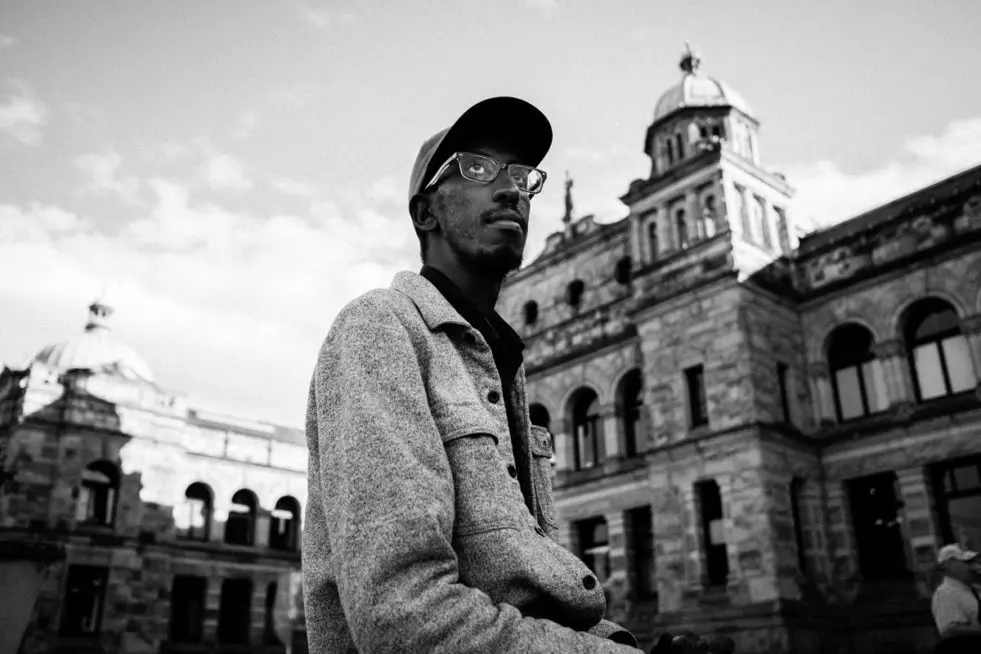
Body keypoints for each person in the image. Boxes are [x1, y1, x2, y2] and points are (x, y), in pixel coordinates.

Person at [302, 97, 642, 653]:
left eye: (519, 175)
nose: (509, 188)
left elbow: (521, 590)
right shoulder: (380, 329)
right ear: (425, 213)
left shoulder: (502, 362)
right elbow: (405, 618)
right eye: (477, 169)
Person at [932, 544, 981, 653]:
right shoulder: (945, 592)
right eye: (966, 563)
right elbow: (949, 629)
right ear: (949, 565)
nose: (972, 567)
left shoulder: (973, 588)